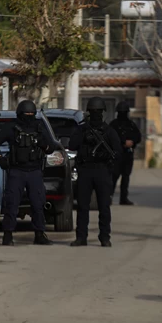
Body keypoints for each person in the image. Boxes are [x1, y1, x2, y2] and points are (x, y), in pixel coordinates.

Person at [0, 100, 55, 246]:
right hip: (16, 171)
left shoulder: (39, 127)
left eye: (31, 114)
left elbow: (50, 148)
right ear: (20, 114)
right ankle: (8, 235)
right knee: (11, 204)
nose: (29, 116)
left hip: (35, 171)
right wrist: (0, 158)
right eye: (26, 114)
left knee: (38, 204)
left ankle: (39, 234)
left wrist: (42, 143)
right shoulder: (11, 127)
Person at [68, 97, 122, 247]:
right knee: (82, 206)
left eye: (98, 111)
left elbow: (118, 152)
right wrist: (84, 137)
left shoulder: (109, 131)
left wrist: (106, 157)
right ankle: (81, 237)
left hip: (102, 170)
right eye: (93, 111)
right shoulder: (82, 129)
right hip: (85, 170)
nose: (96, 114)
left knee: (104, 206)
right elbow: (72, 145)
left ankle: (105, 237)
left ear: (103, 113)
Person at [110, 101, 142, 205]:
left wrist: (132, 142)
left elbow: (138, 137)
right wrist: (123, 142)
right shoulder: (113, 125)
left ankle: (123, 198)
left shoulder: (131, 124)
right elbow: (110, 138)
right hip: (117, 155)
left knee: (126, 177)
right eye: (121, 112)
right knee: (114, 177)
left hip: (128, 155)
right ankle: (109, 197)